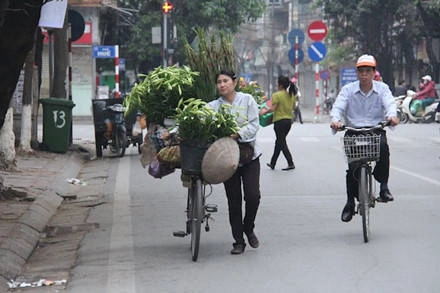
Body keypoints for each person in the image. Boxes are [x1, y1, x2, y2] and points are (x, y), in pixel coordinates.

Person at [330, 54, 399, 223]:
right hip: (354, 131)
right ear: (357, 73)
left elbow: (390, 103)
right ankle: (349, 202)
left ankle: (383, 187)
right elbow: (338, 106)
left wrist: (392, 116)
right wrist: (336, 121)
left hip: (375, 130)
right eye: (361, 71)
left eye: (368, 71)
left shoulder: (382, 88)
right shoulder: (348, 89)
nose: (364, 75)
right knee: (352, 167)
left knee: (383, 149)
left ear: (374, 72)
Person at [207, 70, 261, 255]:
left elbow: (254, 125)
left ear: (234, 83)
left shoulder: (247, 100)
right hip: (226, 160)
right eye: (219, 82)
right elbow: (197, 116)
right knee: (234, 201)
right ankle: (238, 241)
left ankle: (248, 227)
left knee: (253, 196)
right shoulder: (214, 106)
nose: (222, 84)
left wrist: (237, 134)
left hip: (249, 156)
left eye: (225, 81)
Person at [261, 76, 297, 171]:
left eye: (277, 83)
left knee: (281, 142)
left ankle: (290, 162)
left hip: (279, 121)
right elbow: (293, 108)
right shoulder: (292, 95)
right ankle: (273, 163)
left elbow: (273, 109)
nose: (277, 85)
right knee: (279, 142)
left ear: (280, 85)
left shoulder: (277, 95)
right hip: (288, 122)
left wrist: (263, 112)